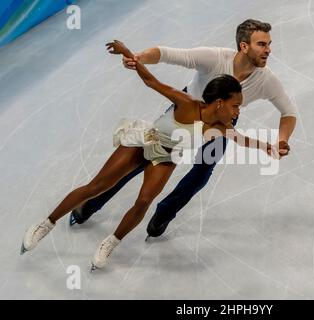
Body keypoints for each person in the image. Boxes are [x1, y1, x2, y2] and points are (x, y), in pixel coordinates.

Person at [20, 40, 277, 271]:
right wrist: (129, 54)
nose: (237, 112)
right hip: (147, 139)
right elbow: (152, 81)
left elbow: (240, 139)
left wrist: (266, 146)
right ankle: (47, 222)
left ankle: (111, 241)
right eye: (235, 106)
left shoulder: (220, 127)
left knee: (143, 201)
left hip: (167, 156)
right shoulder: (188, 103)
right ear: (220, 102)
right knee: (97, 186)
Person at [69, 19, 298, 240]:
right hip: (184, 113)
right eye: (262, 44)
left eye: (269, 44)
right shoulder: (214, 58)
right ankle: (91, 203)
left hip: (219, 126)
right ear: (244, 46)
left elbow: (288, 112)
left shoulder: (266, 80)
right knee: (142, 160)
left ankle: (164, 213)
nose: (268, 50)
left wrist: (282, 139)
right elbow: (167, 53)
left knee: (200, 174)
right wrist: (140, 58)